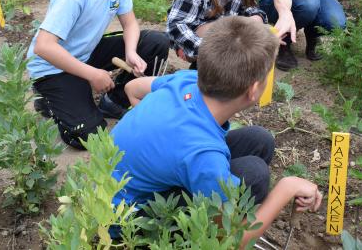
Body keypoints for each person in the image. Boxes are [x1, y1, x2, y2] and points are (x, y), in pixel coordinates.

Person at [113, 16, 323, 245]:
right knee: (254, 173)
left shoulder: (187, 80)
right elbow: (230, 240)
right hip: (128, 222)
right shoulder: (204, 155)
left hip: (130, 181)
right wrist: (286, 188)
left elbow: (132, 88)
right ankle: (223, 224)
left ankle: (228, 209)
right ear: (253, 90)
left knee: (259, 140)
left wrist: (158, 130)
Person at [26, 0, 170, 150]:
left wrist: (131, 52)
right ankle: (48, 100)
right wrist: (92, 74)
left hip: (85, 53)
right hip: (52, 67)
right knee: (89, 136)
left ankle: (115, 101)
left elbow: (131, 24)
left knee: (156, 42)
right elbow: (44, 46)